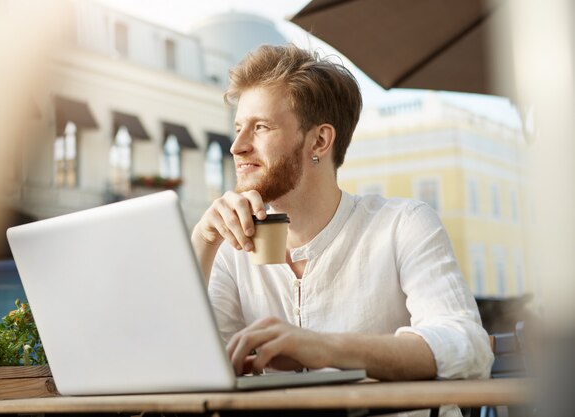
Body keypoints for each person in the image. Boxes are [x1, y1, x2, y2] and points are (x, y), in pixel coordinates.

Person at [191, 44, 493, 384]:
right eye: (238, 128)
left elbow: (468, 347)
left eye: (260, 127)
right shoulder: (232, 252)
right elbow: (191, 369)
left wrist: (325, 348)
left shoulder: (401, 225)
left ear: (319, 141)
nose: (237, 146)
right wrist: (202, 242)